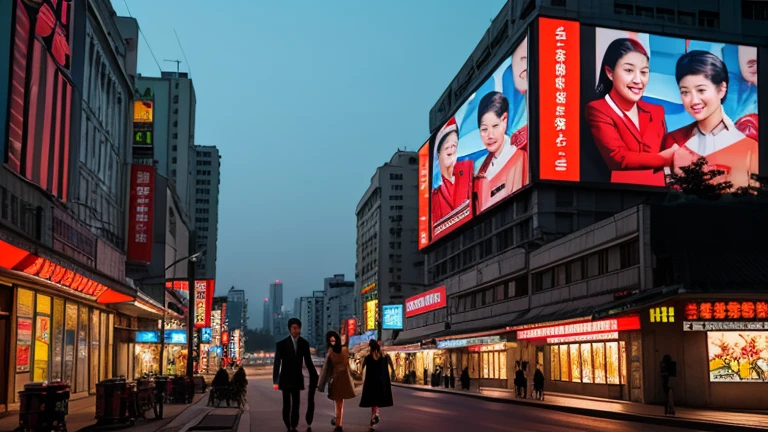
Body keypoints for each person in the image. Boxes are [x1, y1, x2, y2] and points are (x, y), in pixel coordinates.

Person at [586, 38, 678, 186]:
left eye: (644, 72)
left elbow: (667, 154)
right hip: (619, 194)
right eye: (629, 70)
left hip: (659, 193)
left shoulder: (657, 111)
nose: (638, 80)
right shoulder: (598, 109)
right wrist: (663, 159)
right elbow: (618, 158)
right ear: (609, 72)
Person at [662, 50, 759, 189]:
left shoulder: (750, 148)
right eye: (685, 92)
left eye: (701, 90)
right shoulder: (673, 141)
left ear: (722, 89)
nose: (694, 100)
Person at [474, 91, 529, 214]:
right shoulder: (480, 171)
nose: (490, 135)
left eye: (495, 126)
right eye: (484, 129)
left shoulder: (520, 160)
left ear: (504, 120)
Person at [273, 318, 319, 432]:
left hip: (297, 378)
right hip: (285, 379)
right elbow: (277, 363)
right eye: (293, 328)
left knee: (296, 404)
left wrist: (314, 376)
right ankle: (288, 425)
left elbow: (308, 362)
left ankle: (293, 426)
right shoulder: (281, 344)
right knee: (286, 404)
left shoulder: (304, 344)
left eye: (297, 328)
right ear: (290, 329)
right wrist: (275, 380)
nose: (296, 330)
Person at [431, 118, 473, 233]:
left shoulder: (469, 170)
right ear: (438, 154)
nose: (452, 156)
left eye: (455, 148)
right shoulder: (435, 196)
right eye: (448, 152)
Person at [318, 331, 355, 432]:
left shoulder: (331, 352)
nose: (332, 342)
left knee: (338, 402)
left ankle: (338, 423)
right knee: (340, 403)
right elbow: (348, 366)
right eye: (331, 341)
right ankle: (338, 421)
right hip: (343, 379)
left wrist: (321, 383)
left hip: (336, 380)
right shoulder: (345, 350)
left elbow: (326, 368)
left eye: (333, 341)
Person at [359, 340, 394, 431]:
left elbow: (362, 367)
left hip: (371, 383)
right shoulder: (384, 357)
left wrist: (360, 374)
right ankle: (374, 416)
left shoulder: (368, 357)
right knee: (376, 401)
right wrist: (393, 372)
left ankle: (374, 418)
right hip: (381, 383)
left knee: (373, 402)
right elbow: (390, 363)